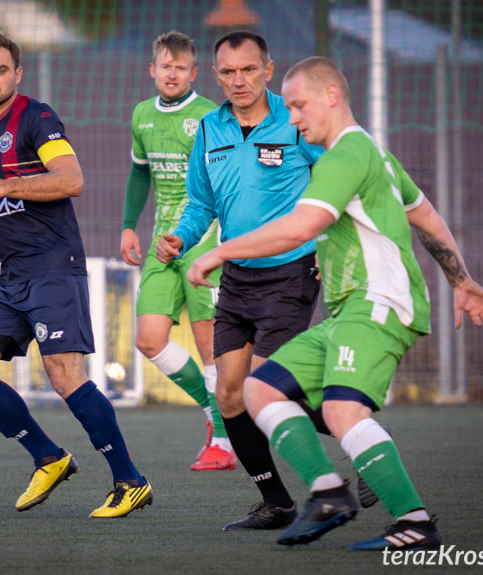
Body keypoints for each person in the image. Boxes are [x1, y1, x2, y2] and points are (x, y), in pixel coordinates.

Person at [187, 56, 483, 550]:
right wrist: (460, 279)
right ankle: (330, 493)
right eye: (288, 108)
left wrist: (220, 252)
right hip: (347, 311)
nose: (291, 118)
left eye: (298, 105)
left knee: (341, 412)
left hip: (377, 305)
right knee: (259, 391)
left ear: (332, 96)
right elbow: (425, 214)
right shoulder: (370, 152)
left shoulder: (345, 156)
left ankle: (414, 523)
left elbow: (300, 227)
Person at [0, 28, 152, 519]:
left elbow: (72, 179)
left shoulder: (36, 118)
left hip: (53, 269)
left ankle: (130, 481)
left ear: (17, 74)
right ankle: (49, 457)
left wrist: (0, 184)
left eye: (1, 70)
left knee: (65, 376)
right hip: (12, 274)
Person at [155, 30, 325, 530]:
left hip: (292, 271)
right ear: (215, 76)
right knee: (229, 394)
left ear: (268, 70)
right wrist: (181, 239)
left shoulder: (296, 122)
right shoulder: (209, 129)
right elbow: (201, 203)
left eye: (249, 69)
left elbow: (336, 191)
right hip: (236, 278)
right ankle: (276, 502)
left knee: (266, 389)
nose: (239, 80)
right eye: (228, 72)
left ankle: (363, 447)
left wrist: (331, 249)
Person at [120, 31, 234, 471]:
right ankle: (215, 414)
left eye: (181, 67)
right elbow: (138, 174)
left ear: (193, 74)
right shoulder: (142, 115)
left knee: (210, 347)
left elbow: (221, 184)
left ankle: (223, 444)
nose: (172, 73)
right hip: (160, 242)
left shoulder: (209, 116)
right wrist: (129, 227)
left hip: (204, 240)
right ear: (153, 70)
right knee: (149, 339)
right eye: (165, 66)